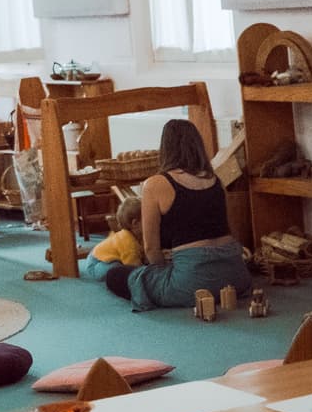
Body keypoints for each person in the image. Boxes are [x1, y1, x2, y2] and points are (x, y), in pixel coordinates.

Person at [103, 120, 250, 310]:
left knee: (115, 275)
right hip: (236, 277)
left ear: (165, 147)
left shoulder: (155, 184)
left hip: (192, 284)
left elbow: (151, 249)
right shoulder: (216, 181)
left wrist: (164, 270)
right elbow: (234, 233)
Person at [81, 191, 143, 280]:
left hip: (101, 257)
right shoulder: (128, 241)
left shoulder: (136, 235)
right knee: (117, 269)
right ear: (135, 223)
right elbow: (133, 267)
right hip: (97, 263)